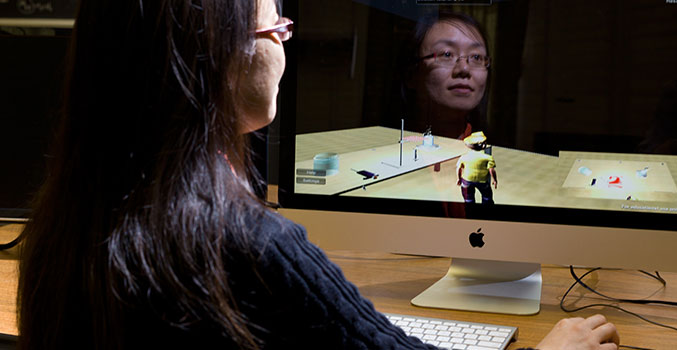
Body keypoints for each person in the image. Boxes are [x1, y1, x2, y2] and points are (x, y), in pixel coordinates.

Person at [17, 1, 619, 349]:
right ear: (217, 55)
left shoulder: (63, 227)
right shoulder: (255, 243)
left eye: (478, 58)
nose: (285, 42)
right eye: (275, 26)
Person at [400, 12, 490, 142]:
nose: (464, 69)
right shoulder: (388, 148)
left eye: (476, 57)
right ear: (412, 74)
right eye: (447, 54)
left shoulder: (500, 155)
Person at [456, 131, 498, 205]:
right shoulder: (488, 158)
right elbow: (491, 170)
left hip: (467, 180)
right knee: (487, 197)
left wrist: (459, 179)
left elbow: (458, 169)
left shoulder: (464, 157)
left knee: (468, 199)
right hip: (482, 181)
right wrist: (494, 180)